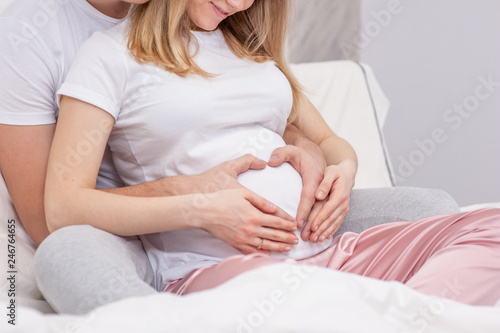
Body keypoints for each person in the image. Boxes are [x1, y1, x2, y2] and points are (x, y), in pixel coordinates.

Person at [0, 0, 459, 314]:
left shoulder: (237, 41)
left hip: (305, 231)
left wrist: (324, 159)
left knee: (441, 213)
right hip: (155, 234)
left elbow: (295, 127)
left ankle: (382, 307)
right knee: (67, 255)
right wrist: (195, 200)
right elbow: (52, 215)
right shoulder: (65, 42)